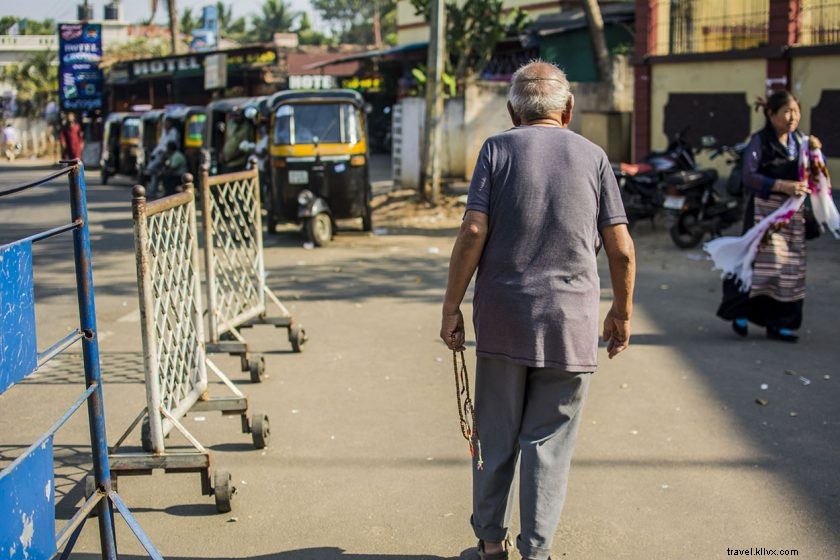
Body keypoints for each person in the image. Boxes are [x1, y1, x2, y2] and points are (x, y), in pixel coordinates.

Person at [440, 61, 636, 560]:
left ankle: (489, 544)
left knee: (496, 435)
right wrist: (622, 313)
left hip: (504, 319)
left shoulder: (497, 149)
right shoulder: (594, 158)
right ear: (567, 109)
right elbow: (622, 248)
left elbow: (473, 232)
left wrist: (451, 307)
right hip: (571, 325)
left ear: (512, 111)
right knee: (547, 447)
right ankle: (537, 552)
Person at [717, 91, 816, 343]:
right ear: (771, 114)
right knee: (756, 263)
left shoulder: (801, 141)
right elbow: (750, 176)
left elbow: (814, 173)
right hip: (763, 213)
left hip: (792, 217)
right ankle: (741, 312)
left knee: (789, 269)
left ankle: (780, 323)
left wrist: (816, 153)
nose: (792, 117)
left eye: (795, 111)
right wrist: (782, 186)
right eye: (786, 111)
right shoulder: (759, 142)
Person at [146, 117, 180, 197]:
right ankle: (152, 192)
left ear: (170, 123)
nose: (164, 124)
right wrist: (153, 154)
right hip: (159, 154)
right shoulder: (164, 132)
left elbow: (170, 145)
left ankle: (153, 190)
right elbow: (160, 145)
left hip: (165, 155)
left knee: (153, 170)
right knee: (155, 175)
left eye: (166, 122)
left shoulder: (174, 132)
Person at [219, 108, 253, 172]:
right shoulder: (232, 124)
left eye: (237, 115)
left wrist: (229, 159)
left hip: (237, 164)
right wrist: (222, 154)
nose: (234, 117)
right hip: (226, 162)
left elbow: (244, 149)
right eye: (234, 115)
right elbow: (227, 140)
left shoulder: (247, 128)